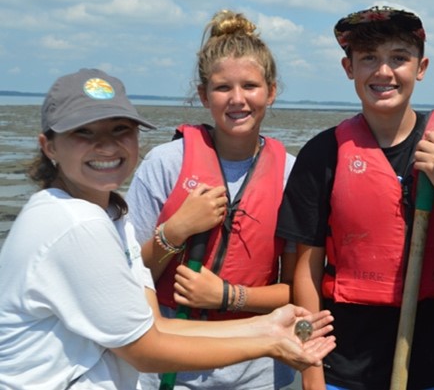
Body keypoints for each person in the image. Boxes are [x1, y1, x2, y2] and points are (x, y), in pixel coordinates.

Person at [0, 68, 336, 390]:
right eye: (83, 133)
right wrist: (270, 344)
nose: (106, 146)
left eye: (120, 130)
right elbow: (147, 351)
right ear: (49, 146)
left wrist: (264, 325)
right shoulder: (74, 223)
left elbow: (157, 324)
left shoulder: (111, 216)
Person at [277, 5, 434, 390]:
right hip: (341, 367)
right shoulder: (322, 153)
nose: (383, 71)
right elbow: (306, 272)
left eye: (399, 58)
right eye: (369, 59)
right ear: (349, 68)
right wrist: (311, 374)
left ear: (421, 68)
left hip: (429, 362)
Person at [125, 10, 301, 389]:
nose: (237, 99)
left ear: (271, 91)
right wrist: (175, 232)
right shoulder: (164, 165)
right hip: (171, 361)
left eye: (250, 86)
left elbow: (299, 291)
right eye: (223, 88)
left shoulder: (292, 174)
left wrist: (226, 296)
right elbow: (127, 277)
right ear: (204, 95)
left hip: (260, 366)